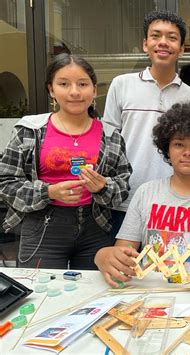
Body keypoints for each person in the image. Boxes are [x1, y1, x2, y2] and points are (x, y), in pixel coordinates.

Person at [95, 103, 190, 291]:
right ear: (166, 148)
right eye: (179, 144)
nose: (187, 152)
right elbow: (123, 252)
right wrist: (104, 256)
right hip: (149, 295)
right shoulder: (146, 192)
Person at [0, 53, 132, 269]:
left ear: (94, 90)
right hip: (42, 228)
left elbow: (123, 185)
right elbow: (5, 183)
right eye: (64, 84)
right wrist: (48, 192)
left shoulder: (111, 135)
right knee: (42, 295)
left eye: (82, 84)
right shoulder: (29, 130)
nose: (74, 92)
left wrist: (102, 187)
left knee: (95, 297)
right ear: (51, 90)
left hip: (96, 226)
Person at [103, 10, 190, 237]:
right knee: (124, 268)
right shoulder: (122, 85)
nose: (163, 43)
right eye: (156, 36)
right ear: (145, 44)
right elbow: (108, 143)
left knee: (166, 270)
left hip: (173, 204)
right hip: (123, 201)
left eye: (172, 37)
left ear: (182, 48)